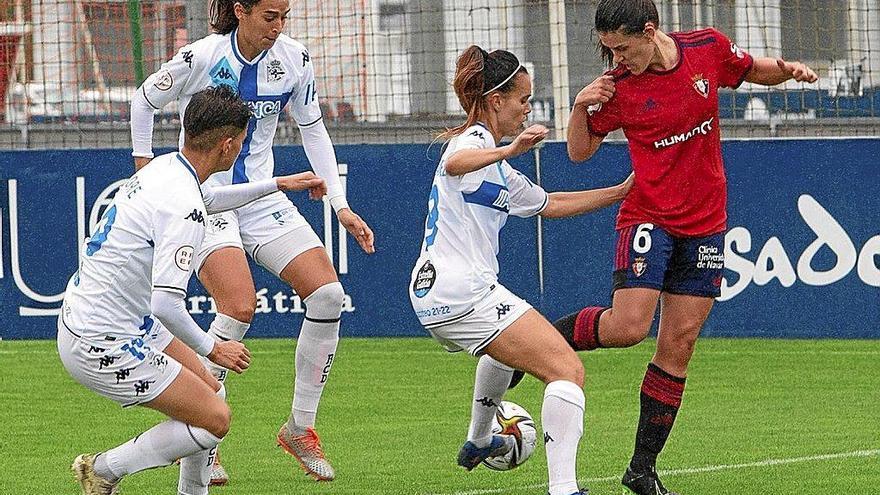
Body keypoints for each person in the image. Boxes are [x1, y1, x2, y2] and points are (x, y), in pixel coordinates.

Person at [549, 2, 818, 494]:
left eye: (622, 48)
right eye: (607, 50)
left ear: (650, 31)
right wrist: (579, 106)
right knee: (628, 328)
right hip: (648, 216)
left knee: (679, 344)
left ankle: (641, 470)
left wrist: (786, 71)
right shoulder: (618, 88)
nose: (615, 59)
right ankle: (541, 341)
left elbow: (749, 68)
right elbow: (578, 151)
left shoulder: (706, 48)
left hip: (706, 222)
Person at [129, 0, 375, 483]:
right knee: (239, 306)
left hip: (262, 198)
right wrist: (145, 170)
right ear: (240, 11)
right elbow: (142, 102)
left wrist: (340, 204)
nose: (278, 27)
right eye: (270, 16)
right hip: (207, 197)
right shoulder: (199, 56)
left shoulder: (295, 60)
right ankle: (203, 425)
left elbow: (314, 131)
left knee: (328, 295)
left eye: (284, 17)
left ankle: (300, 429)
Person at [60, 85, 327, 495]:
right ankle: (103, 469)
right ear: (228, 145)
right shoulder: (181, 206)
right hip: (101, 339)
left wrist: (277, 184)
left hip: (109, 318)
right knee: (215, 419)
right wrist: (212, 348)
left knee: (212, 391)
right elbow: (166, 303)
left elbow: (210, 197)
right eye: (240, 142)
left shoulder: (167, 168)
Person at [408, 45, 633, 495]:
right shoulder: (475, 140)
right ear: (495, 101)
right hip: (461, 291)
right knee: (566, 369)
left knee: (500, 351)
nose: (527, 107)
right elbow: (454, 162)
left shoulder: (501, 171)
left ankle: (478, 438)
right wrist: (511, 146)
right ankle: (564, 489)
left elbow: (548, 204)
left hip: (434, 294)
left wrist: (620, 192)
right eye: (522, 99)